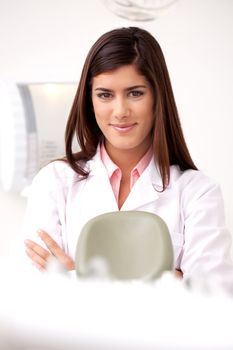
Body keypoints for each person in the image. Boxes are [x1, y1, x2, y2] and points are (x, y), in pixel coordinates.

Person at [23, 26, 232, 281]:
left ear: (158, 97)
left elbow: (210, 299)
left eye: (135, 93)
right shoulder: (54, 182)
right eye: (105, 95)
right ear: (90, 101)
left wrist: (74, 278)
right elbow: (36, 296)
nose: (120, 111)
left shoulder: (198, 192)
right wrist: (168, 281)